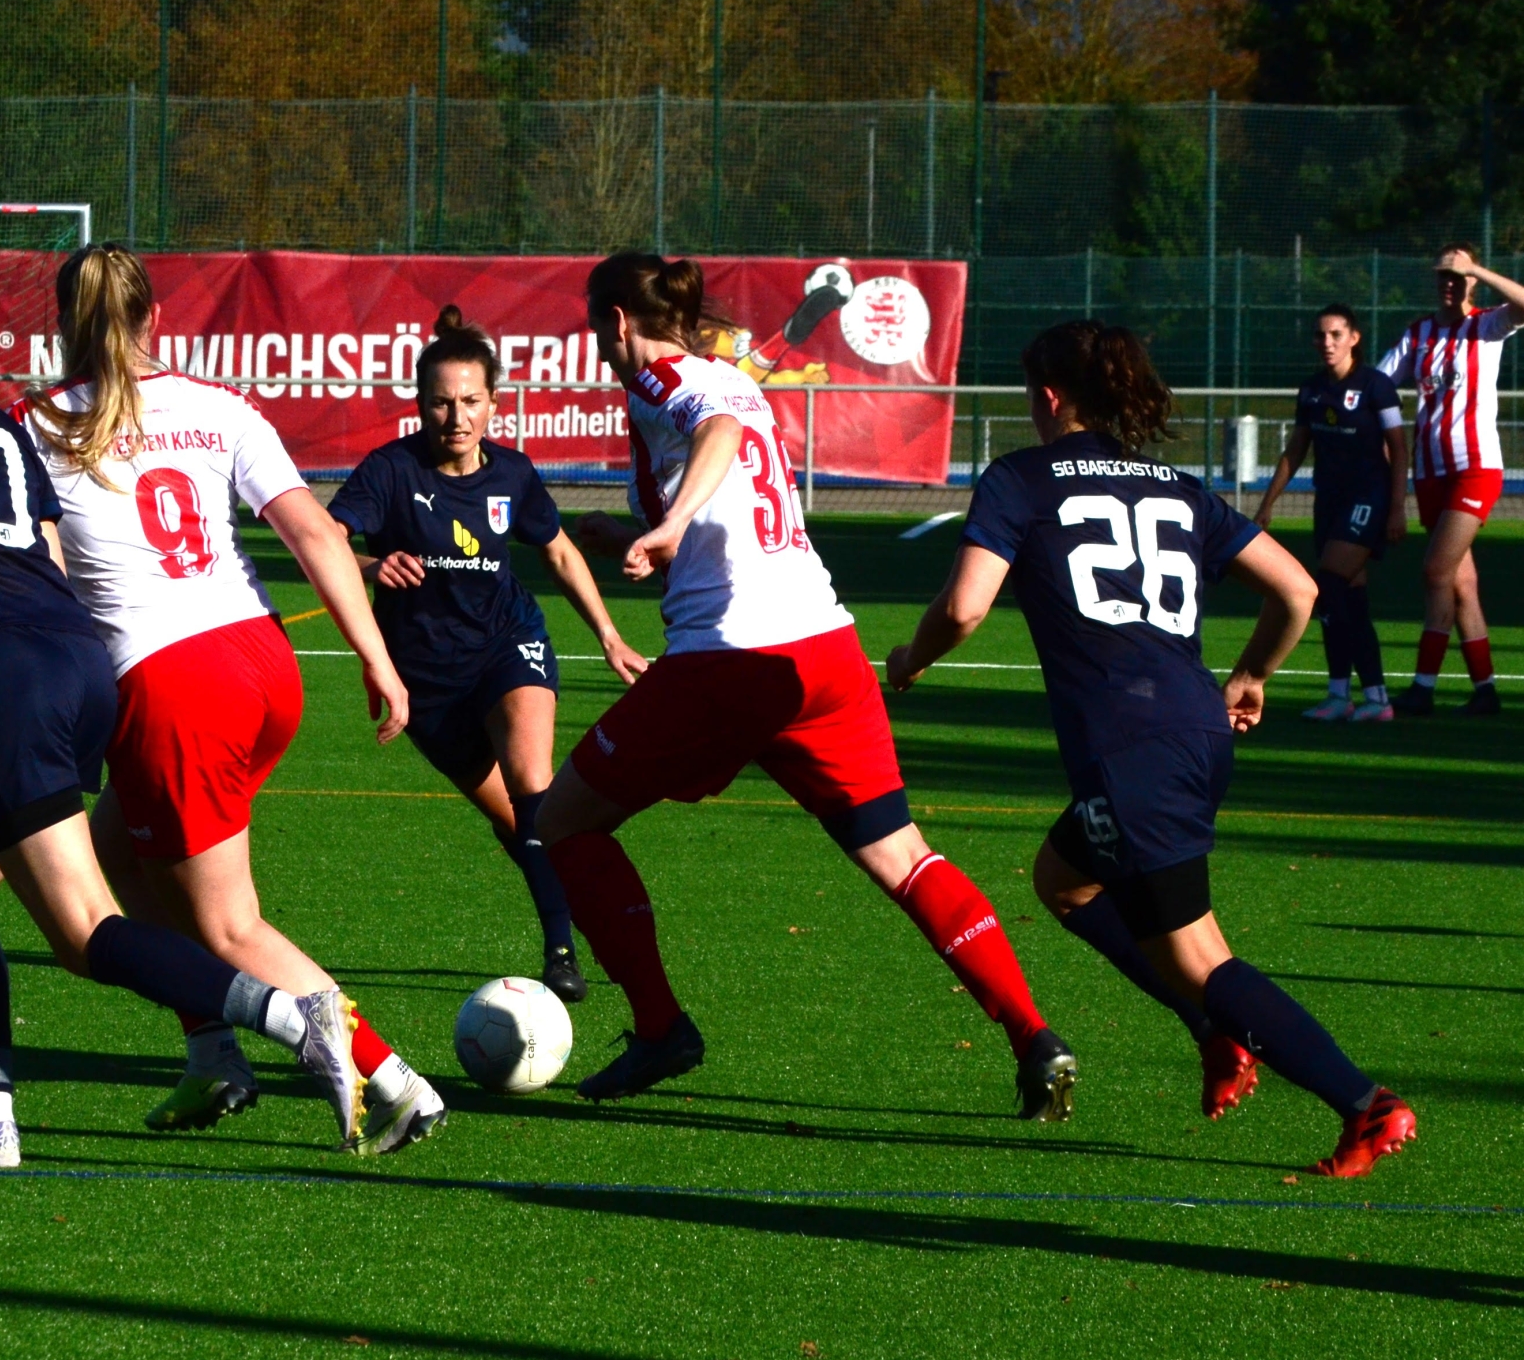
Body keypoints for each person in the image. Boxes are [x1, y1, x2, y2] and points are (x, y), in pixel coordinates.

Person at [0, 267, 364, 1169]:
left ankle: (293, 1017)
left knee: (86, 930)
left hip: (7, 684)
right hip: (89, 664)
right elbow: (40, 553)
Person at [536, 253, 1078, 1116]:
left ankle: (661, 1027)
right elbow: (731, 459)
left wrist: (670, 525)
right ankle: (1032, 1034)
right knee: (903, 855)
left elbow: (717, 431)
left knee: (561, 821)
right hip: (825, 650)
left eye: (596, 324)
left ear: (616, 322)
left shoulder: (667, 379)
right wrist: (645, 530)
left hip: (732, 662)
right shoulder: (725, 374)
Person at [886, 319, 1415, 1178]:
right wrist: (1252, 674)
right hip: (1196, 731)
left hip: (1132, 749)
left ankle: (1363, 1102)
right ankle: (1215, 1030)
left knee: (1200, 956)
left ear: (1048, 397)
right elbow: (1297, 587)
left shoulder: (1021, 477)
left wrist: (911, 658)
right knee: (1064, 880)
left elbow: (963, 608)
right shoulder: (1177, 485)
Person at [0, 242, 439, 1156]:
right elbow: (315, 532)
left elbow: (24, 570)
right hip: (263, 666)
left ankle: (394, 1081)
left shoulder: (33, 425)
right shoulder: (219, 405)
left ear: (61, 323)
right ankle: (211, 1053)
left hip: (172, 686)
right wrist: (378, 659)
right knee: (115, 859)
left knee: (226, 924)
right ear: (154, 318)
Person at [328, 305, 649, 1001]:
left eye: (471, 401)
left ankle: (562, 952)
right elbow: (325, 544)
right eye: (441, 402)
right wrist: (371, 564)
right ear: (420, 403)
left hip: (508, 642)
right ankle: (579, 916)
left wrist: (609, 635)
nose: (456, 416)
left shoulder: (513, 474)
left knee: (534, 788)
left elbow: (558, 552)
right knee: (519, 826)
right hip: (425, 678)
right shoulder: (389, 471)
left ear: (493, 403)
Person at [1378, 244, 1524, 717]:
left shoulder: (1486, 325)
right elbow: (1378, 384)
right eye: (1444, 273)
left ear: (1473, 281)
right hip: (1430, 471)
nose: (1450, 282)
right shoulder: (1419, 333)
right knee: (1462, 585)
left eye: (1458, 275)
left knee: (1435, 572)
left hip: (1474, 468)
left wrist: (1476, 267)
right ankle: (1486, 692)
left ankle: (1423, 687)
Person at [1253, 304, 1405, 722]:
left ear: (1354, 338)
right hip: (1329, 503)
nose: (1327, 342)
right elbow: (1296, 449)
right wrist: (1267, 503)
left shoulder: (1375, 386)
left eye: (1336, 334)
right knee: (1349, 600)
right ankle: (1358, 696)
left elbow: (1399, 448)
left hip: (1367, 499)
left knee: (1330, 585)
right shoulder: (1312, 390)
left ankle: (1362, 695)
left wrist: (1397, 507)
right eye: (1320, 335)